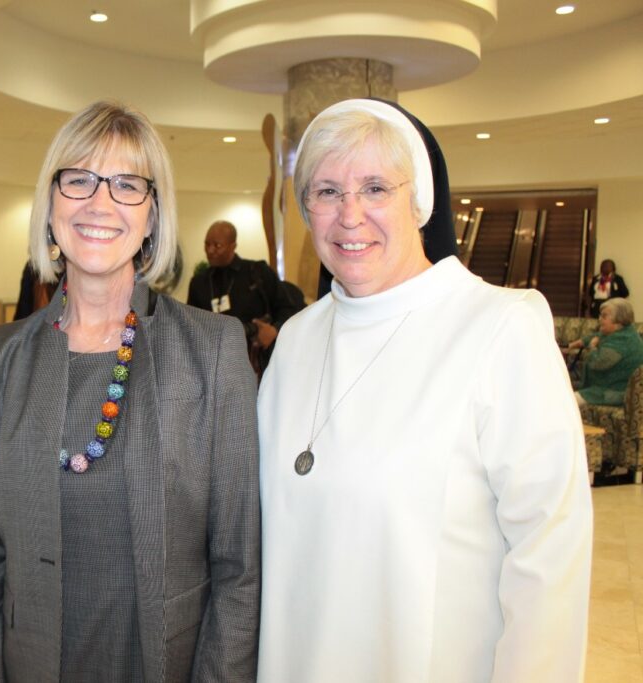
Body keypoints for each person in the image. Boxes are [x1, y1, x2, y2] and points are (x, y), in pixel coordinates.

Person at [257, 99, 593, 682]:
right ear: (307, 210)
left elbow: (549, 559)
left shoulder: (500, 325)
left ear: (420, 202)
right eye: (327, 191)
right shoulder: (297, 339)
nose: (350, 215)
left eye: (376, 188)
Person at [0, 101, 260, 682]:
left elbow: (238, 569)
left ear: (152, 217)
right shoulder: (0, 359)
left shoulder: (211, 350)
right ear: (50, 206)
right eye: (79, 180)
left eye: (127, 184)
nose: (100, 203)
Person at [187, 220, 303, 374]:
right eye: (207, 244)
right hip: (213, 366)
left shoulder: (257, 272)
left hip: (256, 364)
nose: (210, 250)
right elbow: (190, 324)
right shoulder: (199, 282)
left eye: (217, 245)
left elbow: (289, 308)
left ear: (233, 246)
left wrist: (274, 330)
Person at [568, 297, 643, 406]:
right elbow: (596, 336)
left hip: (614, 392)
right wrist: (572, 345)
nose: (599, 319)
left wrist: (592, 348)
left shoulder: (622, 342)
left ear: (619, 320)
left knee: (565, 402)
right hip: (603, 387)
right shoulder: (622, 332)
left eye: (604, 316)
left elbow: (596, 363)